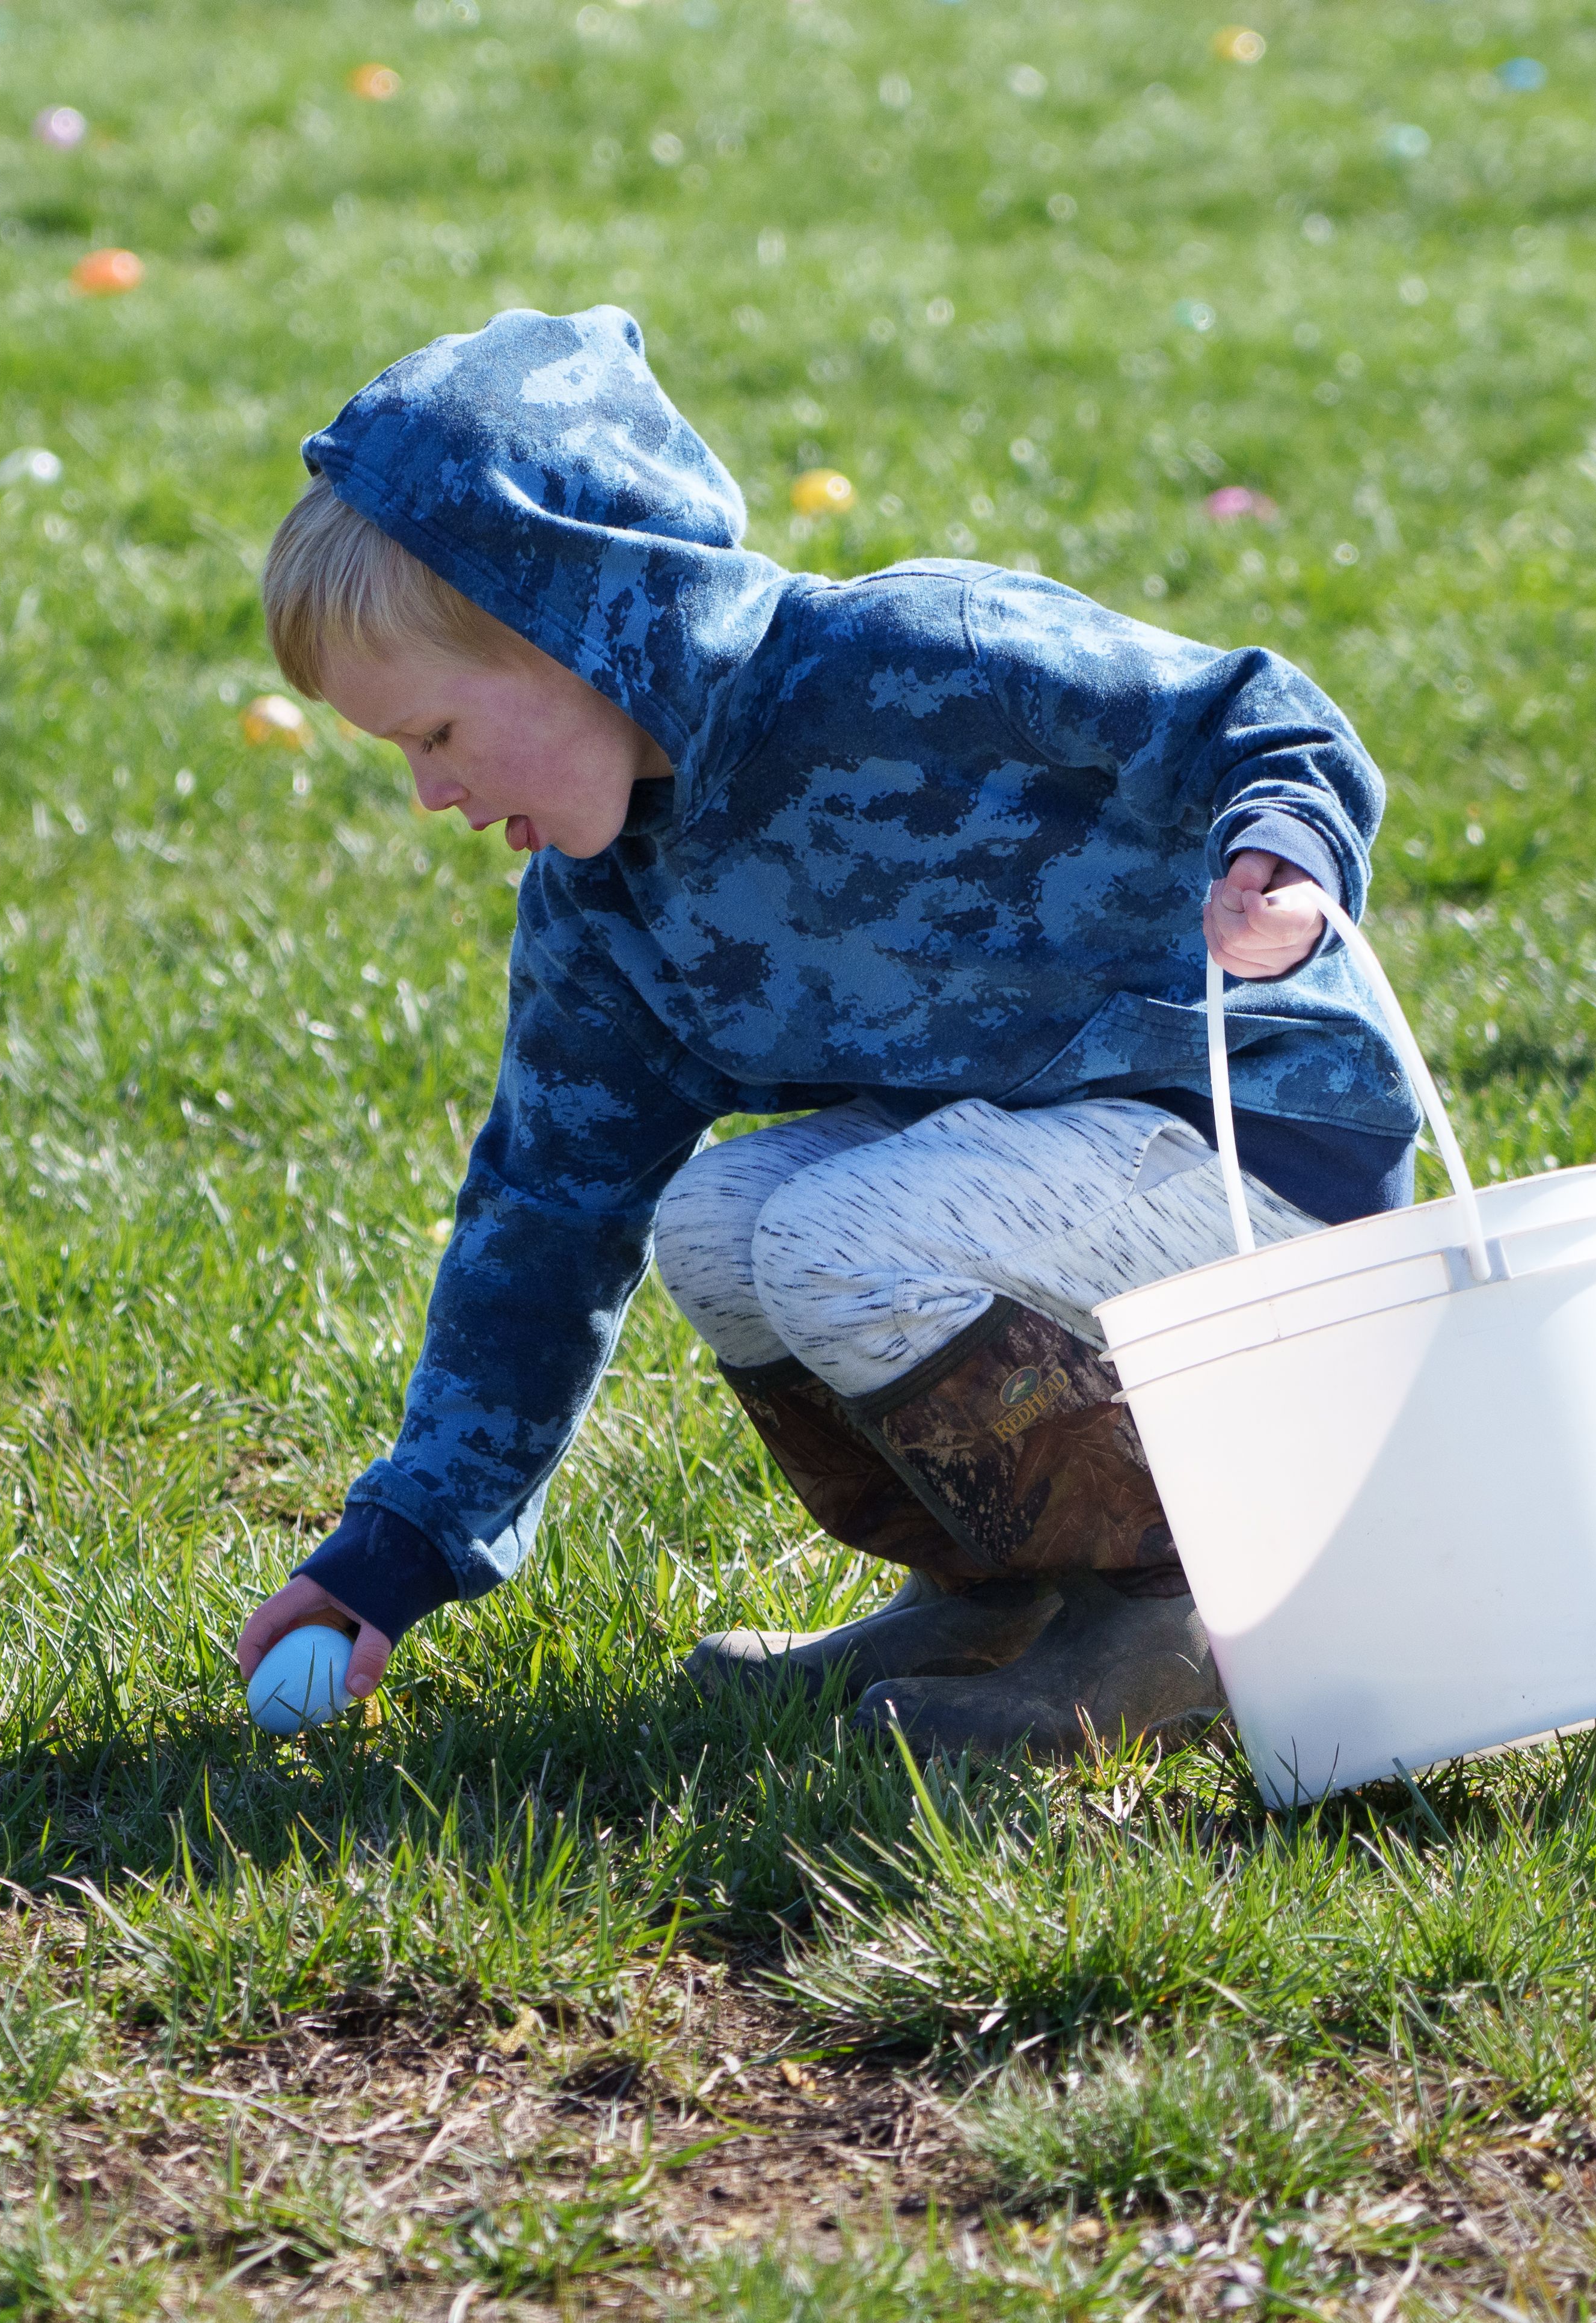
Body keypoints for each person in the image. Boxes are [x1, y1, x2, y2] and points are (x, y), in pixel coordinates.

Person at [229, 307, 1420, 1757]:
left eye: (435, 737)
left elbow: (1255, 712)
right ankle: (999, 1596)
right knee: (715, 1217)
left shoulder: (911, 662)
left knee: (831, 1230)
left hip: (1262, 1164)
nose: (428, 794)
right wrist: (397, 1549)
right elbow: (544, 1218)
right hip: (1032, 1190)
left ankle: (1180, 1605)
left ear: (581, 622)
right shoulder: (610, 909)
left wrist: (1283, 854)